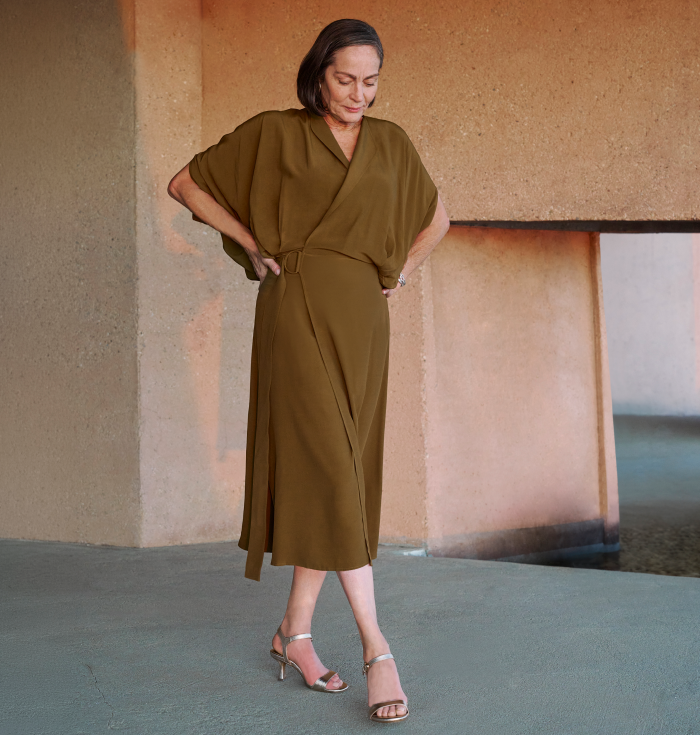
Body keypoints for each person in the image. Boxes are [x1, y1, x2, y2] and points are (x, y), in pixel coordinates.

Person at [168, 18, 449, 723]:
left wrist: (402, 272)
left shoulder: (391, 143)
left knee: (339, 472)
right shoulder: (276, 132)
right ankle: (377, 647)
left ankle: (293, 633)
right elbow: (186, 183)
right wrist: (249, 241)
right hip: (295, 311)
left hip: (364, 323)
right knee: (332, 467)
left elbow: (438, 219)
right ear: (318, 75)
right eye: (345, 79)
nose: (358, 94)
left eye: (370, 81)